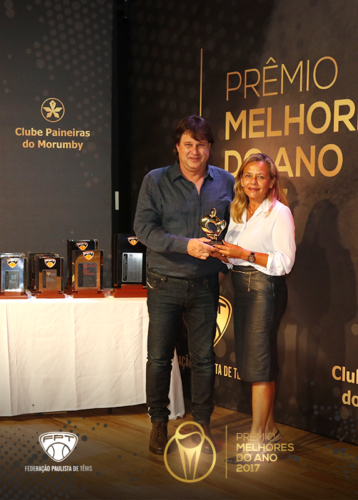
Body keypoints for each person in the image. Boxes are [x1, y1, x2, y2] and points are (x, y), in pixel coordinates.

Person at [133, 115, 234, 455]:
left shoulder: (227, 182)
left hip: (206, 285)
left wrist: (224, 265)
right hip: (164, 282)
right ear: (177, 147)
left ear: (210, 148)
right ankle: (159, 424)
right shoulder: (155, 180)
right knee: (159, 359)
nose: (194, 151)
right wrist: (186, 245)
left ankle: (202, 425)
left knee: (204, 359)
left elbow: (236, 230)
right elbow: (145, 230)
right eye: (188, 144)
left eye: (200, 145)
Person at [213, 152, 296, 454]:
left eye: (261, 176)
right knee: (252, 362)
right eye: (248, 175)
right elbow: (232, 258)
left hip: (264, 290)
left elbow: (285, 262)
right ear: (240, 180)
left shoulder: (280, 213)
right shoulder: (236, 211)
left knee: (260, 365)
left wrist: (243, 253)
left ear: (272, 182)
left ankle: (256, 439)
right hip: (241, 289)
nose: (253, 182)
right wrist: (222, 257)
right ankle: (269, 430)